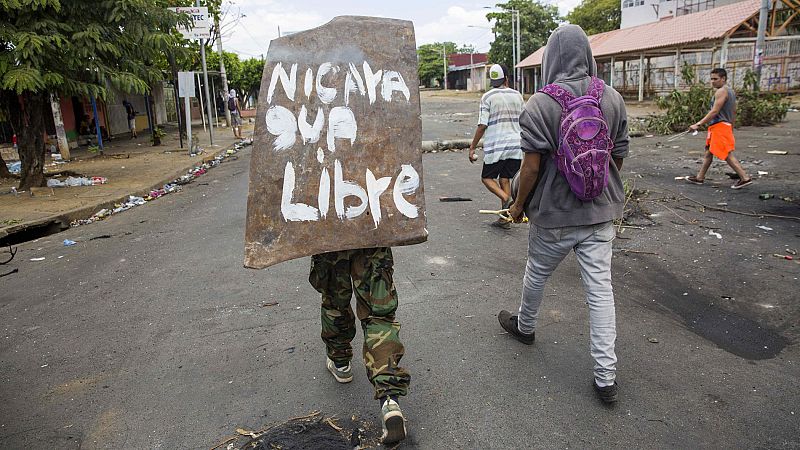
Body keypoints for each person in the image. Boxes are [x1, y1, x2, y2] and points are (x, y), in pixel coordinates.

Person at [499, 25, 629, 404]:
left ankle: (525, 327)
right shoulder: (613, 99)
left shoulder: (540, 104)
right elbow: (616, 156)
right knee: (600, 291)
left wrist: (518, 206)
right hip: (599, 214)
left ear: (551, 57)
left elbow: (531, 169)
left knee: (536, 275)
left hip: (553, 216)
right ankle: (606, 378)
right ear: (587, 54)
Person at [309, 247, 410, 444]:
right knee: (379, 315)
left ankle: (340, 363)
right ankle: (389, 401)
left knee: (334, 303)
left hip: (330, 237)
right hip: (371, 232)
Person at [468, 63, 525, 229]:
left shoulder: (488, 97)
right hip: (516, 145)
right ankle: (504, 218)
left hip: (496, 147)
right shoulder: (517, 95)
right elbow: (526, 120)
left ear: (491, 80)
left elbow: (482, 125)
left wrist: (472, 147)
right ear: (506, 78)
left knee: (486, 177)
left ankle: (507, 199)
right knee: (505, 178)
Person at [686, 68, 752, 189]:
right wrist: (731, 126)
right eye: (711, 79)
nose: (712, 81)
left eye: (715, 79)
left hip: (720, 126)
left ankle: (744, 178)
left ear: (723, 79)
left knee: (726, 153)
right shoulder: (730, 91)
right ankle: (700, 178)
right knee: (709, 153)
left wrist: (698, 124)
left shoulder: (721, 91)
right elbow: (733, 111)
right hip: (722, 126)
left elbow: (714, 111)